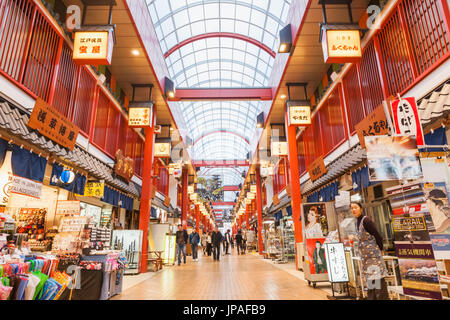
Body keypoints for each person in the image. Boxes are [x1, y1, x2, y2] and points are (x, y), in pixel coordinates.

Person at [350, 202, 389, 300]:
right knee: (371, 281)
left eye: (356, 207)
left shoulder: (366, 220)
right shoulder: (356, 222)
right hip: (366, 258)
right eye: (352, 208)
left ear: (361, 209)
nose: (353, 210)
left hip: (374, 257)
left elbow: (377, 235)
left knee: (378, 281)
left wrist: (381, 249)